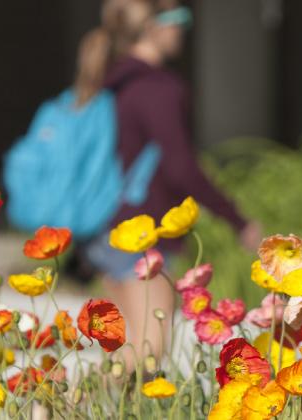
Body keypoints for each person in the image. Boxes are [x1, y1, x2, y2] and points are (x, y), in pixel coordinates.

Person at [75, 0, 261, 367]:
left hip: (104, 229)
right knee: (149, 349)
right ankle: (54, 405)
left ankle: (59, 406)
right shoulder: (157, 88)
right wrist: (237, 220)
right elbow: (181, 168)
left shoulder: (110, 84)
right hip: (142, 233)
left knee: (128, 350)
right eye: (178, 19)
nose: (182, 28)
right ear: (151, 28)